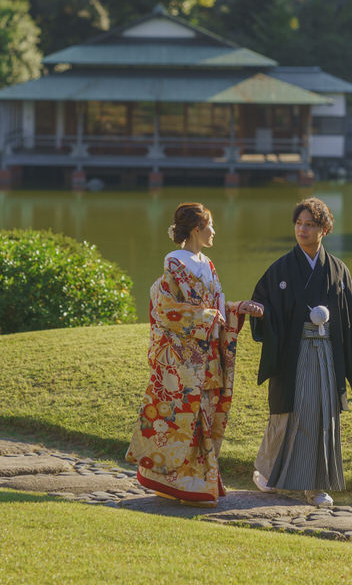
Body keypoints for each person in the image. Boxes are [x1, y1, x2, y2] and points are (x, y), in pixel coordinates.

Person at [126, 202, 262, 507]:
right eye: (210, 225)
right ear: (197, 229)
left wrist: (235, 309)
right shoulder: (175, 262)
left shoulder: (208, 264)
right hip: (183, 358)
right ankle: (183, 482)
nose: (214, 231)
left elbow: (215, 306)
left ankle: (200, 481)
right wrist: (208, 317)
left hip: (207, 352)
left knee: (207, 414)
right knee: (188, 417)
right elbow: (168, 308)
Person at [247, 197, 352, 507]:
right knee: (287, 413)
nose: (302, 230)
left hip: (327, 355)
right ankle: (266, 473)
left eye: (310, 225)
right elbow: (262, 303)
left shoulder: (338, 270)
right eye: (299, 224)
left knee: (321, 417)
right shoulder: (281, 269)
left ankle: (315, 487)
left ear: (325, 230)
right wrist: (260, 313)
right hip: (293, 353)